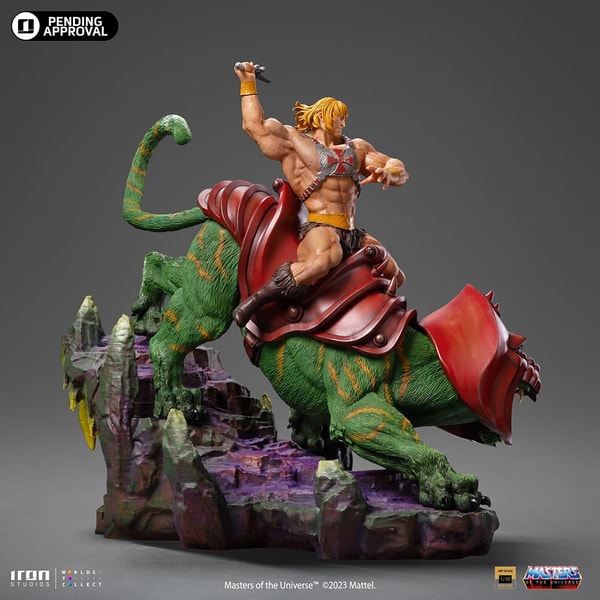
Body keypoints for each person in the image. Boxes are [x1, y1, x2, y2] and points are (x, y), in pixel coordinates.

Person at [233, 61, 409, 327]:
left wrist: (390, 173)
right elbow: (254, 126)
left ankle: (363, 326)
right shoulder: (294, 142)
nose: (343, 122)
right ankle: (255, 301)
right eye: (338, 117)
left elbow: (397, 168)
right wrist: (248, 84)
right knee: (326, 258)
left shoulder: (357, 149)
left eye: (344, 118)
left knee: (394, 273)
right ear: (320, 117)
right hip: (320, 226)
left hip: (352, 233)